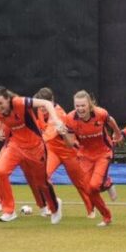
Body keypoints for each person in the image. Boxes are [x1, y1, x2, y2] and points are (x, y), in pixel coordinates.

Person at [0, 85, 66, 223]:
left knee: (42, 183)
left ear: (8, 99)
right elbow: (1, 118)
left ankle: (54, 207)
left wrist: (56, 120)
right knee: (0, 171)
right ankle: (8, 211)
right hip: (15, 145)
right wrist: (0, 129)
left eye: (1, 103)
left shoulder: (19, 102)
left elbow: (47, 103)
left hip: (35, 147)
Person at [34, 87, 96, 218]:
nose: (43, 108)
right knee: (43, 177)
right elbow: (41, 128)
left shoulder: (59, 114)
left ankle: (91, 209)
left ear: (52, 101)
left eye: (45, 104)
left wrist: (35, 143)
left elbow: (50, 134)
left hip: (69, 152)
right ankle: (54, 206)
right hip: (52, 150)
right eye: (41, 104)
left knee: (80, 183)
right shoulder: (39, 110)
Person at [62, 90, 121, 227]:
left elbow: (111, 121)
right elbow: (70, 144)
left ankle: (106, 183)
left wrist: (118, 134)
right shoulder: (70, 119)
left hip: (103, 153)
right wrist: (63, 134)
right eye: (77, 106)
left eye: (83, 105)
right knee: (88, 190)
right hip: (85, 156)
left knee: (94, 185)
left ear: (89, 105)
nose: (80, 109)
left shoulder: (100, 113)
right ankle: (107, 215)